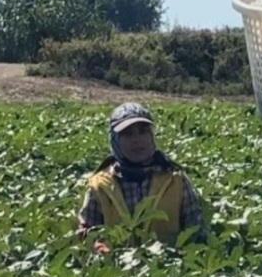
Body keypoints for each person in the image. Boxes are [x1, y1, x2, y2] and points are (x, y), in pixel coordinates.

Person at [77, 102, 207, 253]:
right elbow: (87, 233)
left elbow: (195, 230)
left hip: (168, 263)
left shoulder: (175, 179)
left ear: (152, 136)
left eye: (143, 131)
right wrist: (100, 249)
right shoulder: (99, 185)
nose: (137, 140)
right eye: (127, 134)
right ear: (115, 140)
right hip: (115, 264)